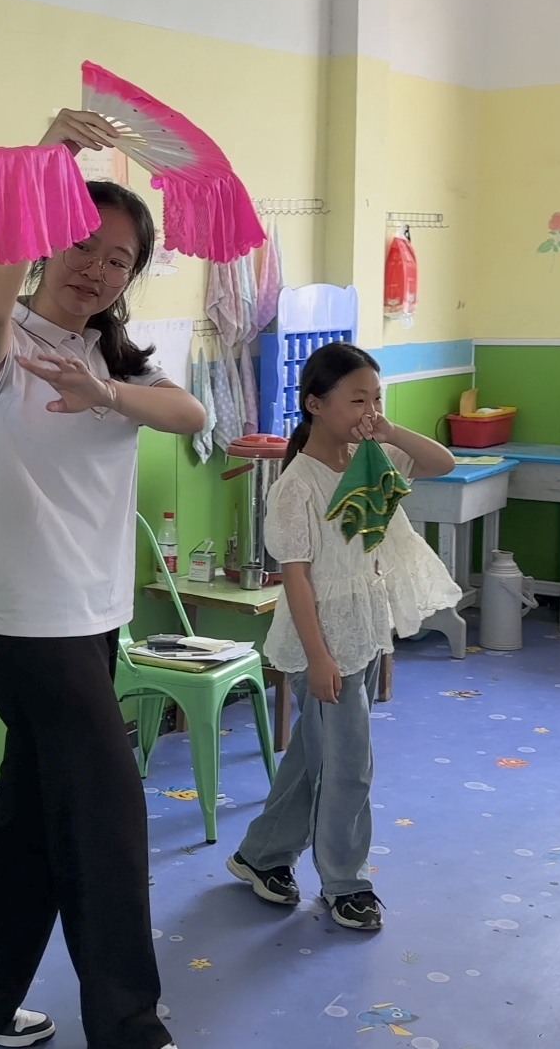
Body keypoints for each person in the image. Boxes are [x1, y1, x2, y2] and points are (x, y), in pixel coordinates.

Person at [0, 109, 205, 1049]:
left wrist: (106, 394)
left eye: (119, 259)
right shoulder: (4, 350)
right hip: (30, 629)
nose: (97, 267)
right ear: (47, 242)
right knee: (109, 826)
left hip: (90, 621)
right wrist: (43, 167)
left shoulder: (109, 360)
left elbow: (189, 413)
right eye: (82, 244)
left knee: (30, 828)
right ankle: (129, 1029)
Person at [223, 343, 457, 931]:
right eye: (357, 400)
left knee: (314, 755)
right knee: (349, 765)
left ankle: (261, 854)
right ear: (315, 404)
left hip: (363, 629)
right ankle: (346, 882)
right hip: (321, 643)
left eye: (376, 398)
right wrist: (319, 658)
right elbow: (297, 581)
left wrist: (389, 428)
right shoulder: (297, 486)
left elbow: (442, 462)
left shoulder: (370, 458)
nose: (369, 411)